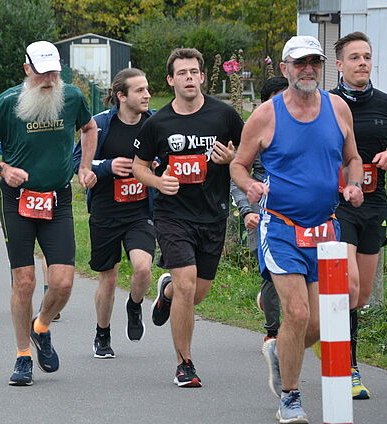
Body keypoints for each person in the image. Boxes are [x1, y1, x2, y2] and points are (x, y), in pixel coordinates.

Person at [231, 35, 363, 424]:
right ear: (285, 68)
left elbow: (352, 158)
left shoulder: (338, 108)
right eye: (300, 63)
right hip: (283, 229)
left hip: (326, 230)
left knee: (318, 323)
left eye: (314, 63)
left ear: (321, 68)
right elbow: (238, 165)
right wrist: (249, 185)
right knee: (298, 312)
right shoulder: (266, 115)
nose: (308, 69)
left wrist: (353, 184)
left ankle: (279, 351)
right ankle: (290, 396)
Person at [0, 40, 98, 387]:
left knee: (64, 283)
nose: (49, 79)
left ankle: (41, 326)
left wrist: (84, 167)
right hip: (18, 200)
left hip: (58, 199)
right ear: (27, 69)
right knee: (24, 281)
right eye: (42, 73)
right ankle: (23, 355)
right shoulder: (8, 103)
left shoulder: (72, 97)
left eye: (54, 72)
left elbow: (89, 128)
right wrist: (2, 169)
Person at [132, 48, 243, 388]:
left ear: (203, 77)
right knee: (186, 283)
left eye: (195, 72)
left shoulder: (224, 116)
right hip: (173, 215)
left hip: (213, 214)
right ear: (171, 80)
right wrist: (157, 181)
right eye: (182, 73)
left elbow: (248, 155)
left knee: (196, 292)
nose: (190, 78)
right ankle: (184, 364)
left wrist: (232, 157)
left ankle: (166, 295)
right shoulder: (158, 123)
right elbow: (138, 166)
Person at [329, 31, 387, 399]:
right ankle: (348, 367)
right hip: (336, 204)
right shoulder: (325, 104)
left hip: (374, 204)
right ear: (340, 65)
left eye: (367, 56)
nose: (363, 63)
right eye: (355, 57)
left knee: (358, 298)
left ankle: (328, 330)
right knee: (349, 287)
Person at [74, 68, 157, 358]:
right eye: (139, 91)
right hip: (106, 212)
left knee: (143, 268)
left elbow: (170, 156)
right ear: (121, 96)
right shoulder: (99, 125)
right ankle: (102, 333)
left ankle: (134, 305)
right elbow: (78, 163)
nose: (147, 95)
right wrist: (106, 167)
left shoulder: (155, 123)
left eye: (147, 89)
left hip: (140, 211)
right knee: (108, 279)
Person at [229, 76, 289, 343]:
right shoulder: (254, 129)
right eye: (276, 98)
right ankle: (273, 329)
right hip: (260, 203)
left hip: (295, 207)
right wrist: (246, 211)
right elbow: (237, 173)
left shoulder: (305, 125)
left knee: (288, 271)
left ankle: (276, 325)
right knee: (270, 270)